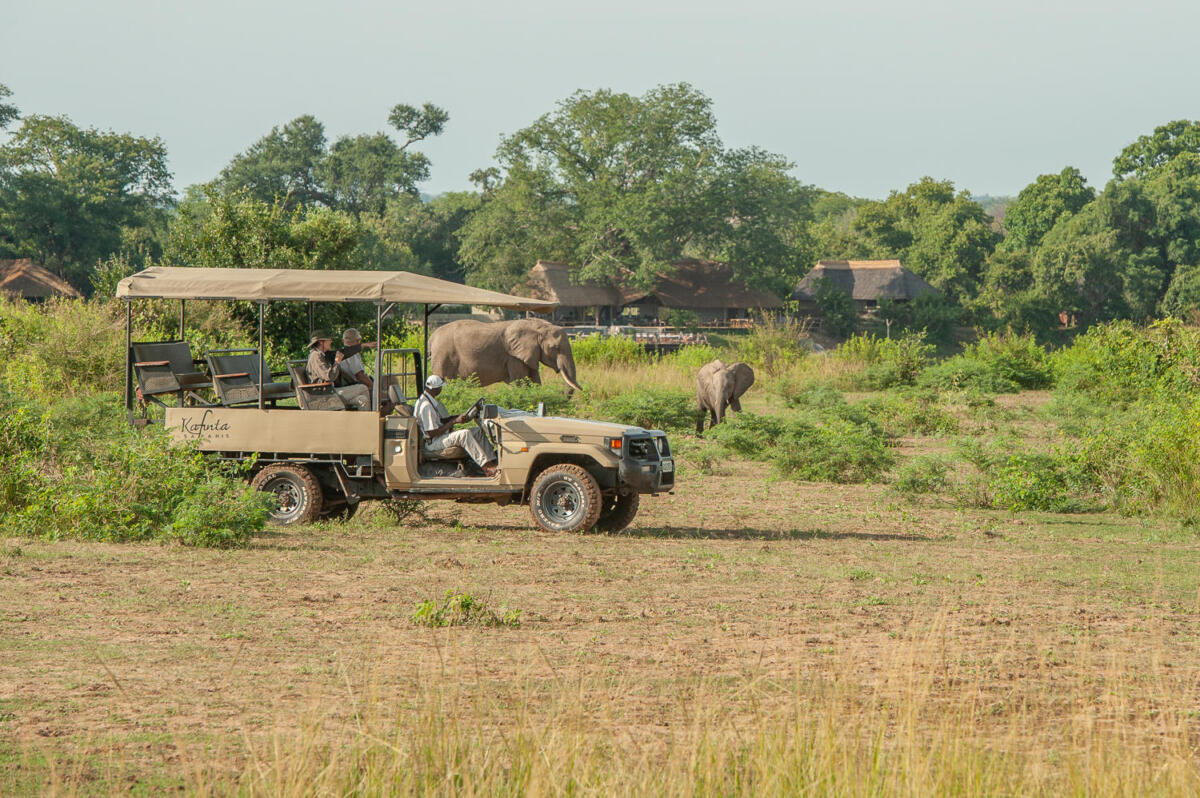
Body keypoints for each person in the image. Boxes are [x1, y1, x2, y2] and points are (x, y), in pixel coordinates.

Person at [414, 374, 497, 477]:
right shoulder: (426, 406)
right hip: (433, 443)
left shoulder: (428, 401)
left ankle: (493, 461)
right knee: (464, 434)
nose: (441, 390)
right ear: (436, 389)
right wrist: (454, 422)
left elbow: (439, 421)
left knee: (476, 431)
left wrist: (457, 417)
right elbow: (431, 433)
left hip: (438, 437)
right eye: (440, 387)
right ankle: (487, 467)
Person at [306, 331, 370, 411]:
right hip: (324, 395)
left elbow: (345, 352)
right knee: (363, 388)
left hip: (331, 391)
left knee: (362, 399)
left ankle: (365, 422)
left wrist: (362, 346)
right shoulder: (315, 356)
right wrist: (337, 362)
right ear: (321, 342)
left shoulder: (324, 354)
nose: (331, 341)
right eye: (328, 340)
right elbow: (329, 376)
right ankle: (372, 419)